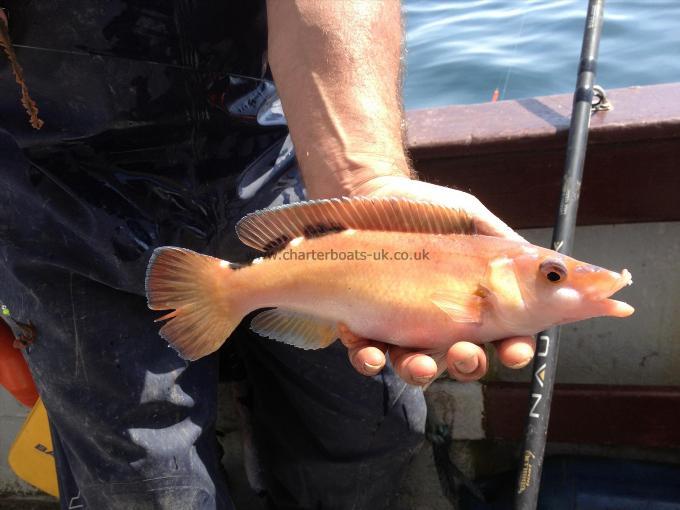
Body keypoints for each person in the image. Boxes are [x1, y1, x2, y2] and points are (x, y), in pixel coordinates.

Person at [0, 1, 535, 508]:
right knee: (145, 485)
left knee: (376, 425)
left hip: (275, 159)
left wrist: (360, 178)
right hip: (54, 194)